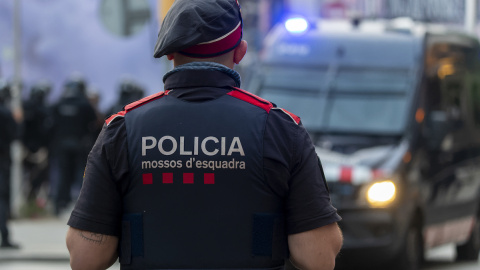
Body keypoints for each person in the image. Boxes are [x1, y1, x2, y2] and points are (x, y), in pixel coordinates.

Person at [66, 0, 343, 269]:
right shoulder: (281, 129)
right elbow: (317, 256)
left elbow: (86, 257)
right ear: (240, 52)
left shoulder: (122, 129)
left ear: (171, 52)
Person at [51, 77, 97, 215]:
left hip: (62, 145)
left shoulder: (59, 103)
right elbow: (93, 123)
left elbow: (52, 124)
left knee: (63, 175)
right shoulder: (84, 104)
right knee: (81, 175)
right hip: (80, 145)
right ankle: (83, 205)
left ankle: (59, 204)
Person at [0, 79, 20, 248]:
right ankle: (4, 238)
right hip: (3, 161)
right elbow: (15, 134)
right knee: (2, 199)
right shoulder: (6, 113)